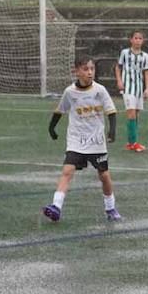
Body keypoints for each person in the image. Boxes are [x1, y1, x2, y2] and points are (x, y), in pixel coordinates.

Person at [43, 56, 120, 223]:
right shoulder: (70, 92)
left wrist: (112, 130)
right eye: (86, 69)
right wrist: (52, 127)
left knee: (104, 176)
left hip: (96, 141)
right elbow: (60, 110)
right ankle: (56, 207)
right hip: (76, 140)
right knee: (67, 171)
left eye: (92, 69)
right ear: (77, 71)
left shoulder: (100, 90)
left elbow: (111, 111)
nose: (90, 72)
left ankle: (110, 207)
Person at [116, 30, 148, 152]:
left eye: (140, 38)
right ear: (131, 39)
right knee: (131, 113)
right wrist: (119, 81)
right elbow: (118, 67)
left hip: (138, 89)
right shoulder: (125, 53)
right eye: (135, 38)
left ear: (143, 41)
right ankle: (133, 143)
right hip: (128, 88)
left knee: (135, 114)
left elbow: (147, 73)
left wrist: (147, 88)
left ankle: (131, 142)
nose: (137, 40)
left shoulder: (145, 56)